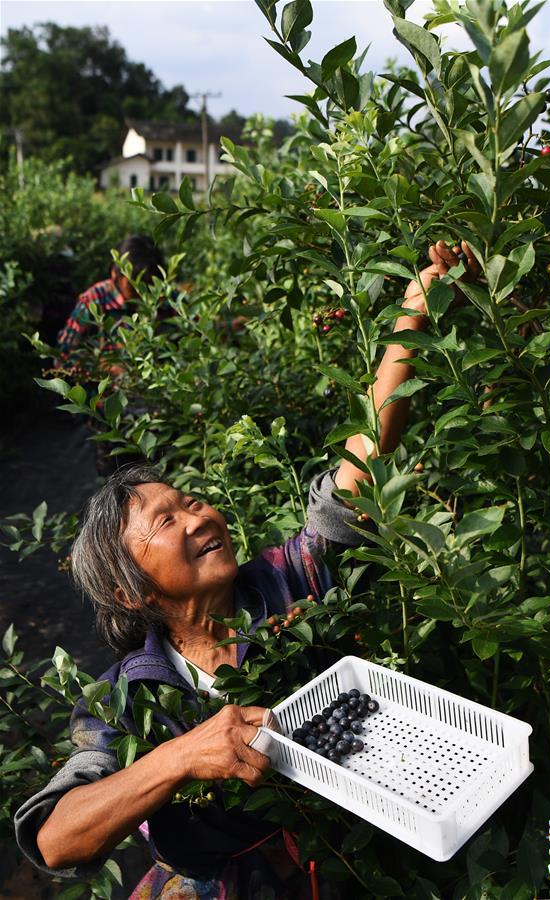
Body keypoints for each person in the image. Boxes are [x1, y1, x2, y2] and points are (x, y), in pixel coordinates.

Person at [15, 240, 475, 898]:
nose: (199, 518)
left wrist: (416, 313)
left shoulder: (293, 581)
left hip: (352, 865)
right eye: (166, 522)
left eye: (193, 502)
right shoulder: (126, 700)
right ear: (129, 587)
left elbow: (366, 454)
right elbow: (56, 840)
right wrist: (177, 757)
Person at [55, 234, 165, 363]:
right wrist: (105, 369)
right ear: (115, 272)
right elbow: (63, 356)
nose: (140, 290)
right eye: (133, 282)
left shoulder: (166, 299)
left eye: (148, 283)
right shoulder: (94, 299)